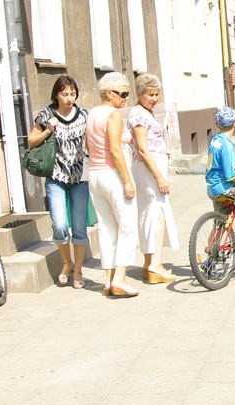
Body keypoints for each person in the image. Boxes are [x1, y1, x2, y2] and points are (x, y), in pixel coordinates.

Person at [28, 75, 90, 289]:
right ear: (56, 94)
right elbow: (30, 140)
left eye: (72, 93)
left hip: (80, 178)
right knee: (60, 225)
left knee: (80, 228)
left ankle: (78, 271)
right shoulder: (46, 114)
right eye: (65, 94)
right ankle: (67, 262)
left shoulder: (83, 115)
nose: (69, 98)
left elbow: (91, 141)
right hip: (56, 178)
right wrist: (48, 130)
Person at [86, 71, 139, 298]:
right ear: (108, 93)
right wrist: (127, 181)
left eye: (127, 93)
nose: (125, 98)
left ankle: (108, 280)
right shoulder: (113, 115)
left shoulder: (91, 113)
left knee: (106, 228)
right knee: (128, 225)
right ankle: (120, 278)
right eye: (122, 93)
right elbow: (115, 150)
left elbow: (88, 147)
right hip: (112, 174)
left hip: (95, 174)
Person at [128, 73, 179, 284]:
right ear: (140, 93)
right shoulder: (138, 115)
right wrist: (159, 177)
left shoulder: (146, 112)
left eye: (157, 94)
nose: (155, 98)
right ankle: (154, 265)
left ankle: (150, 264)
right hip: (148, 170)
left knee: (153, 214)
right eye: (150, 94)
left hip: (151, 168)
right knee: (157, 215)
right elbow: (142, 148)